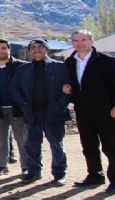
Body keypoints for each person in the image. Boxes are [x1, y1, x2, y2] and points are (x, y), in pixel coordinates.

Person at [63, 30, 115, 195]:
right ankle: (95, 175)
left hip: (106, 111)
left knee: (111, 147)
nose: (80, 43)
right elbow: (72, 85)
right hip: (82, 111)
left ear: (92, 41)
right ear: (72, 42)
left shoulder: (107, 61)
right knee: (89, 146)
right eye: (76, 40)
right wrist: (68, 91)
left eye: (84, 39)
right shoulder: (69, 62)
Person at [10, 38, 71, 185]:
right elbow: (14, 88)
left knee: (56, 144)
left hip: (54, 113)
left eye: (40, 47)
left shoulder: (60, 67)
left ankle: (59, 174)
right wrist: (23, 103)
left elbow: (69, 88)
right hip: (32, 113)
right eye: (33, 47)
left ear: (47, 49)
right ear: (29, 50)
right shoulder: (23, 69)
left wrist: (60, 103)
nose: (37, 49)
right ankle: (33, 172)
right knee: (31, 144)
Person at [0, 39, 28, 176]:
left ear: (9, 49)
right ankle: (2, 165)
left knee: (22, 141)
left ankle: (26, 168)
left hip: (18, 109)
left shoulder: (21, 66)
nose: (0, 51)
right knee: (1, 141)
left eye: (4, 48)